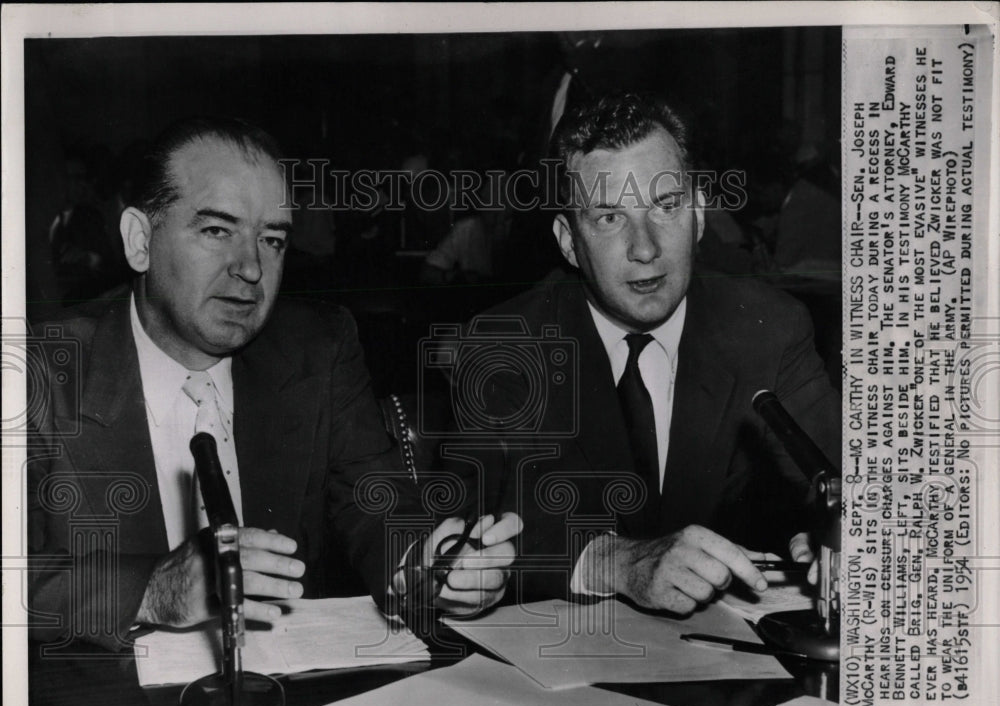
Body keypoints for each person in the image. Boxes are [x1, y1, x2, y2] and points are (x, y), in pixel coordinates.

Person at [27, 117, 521, 651]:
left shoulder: (319, 348)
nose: (251, 268)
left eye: (272, 240)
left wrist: (425, 565)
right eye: (217, 231)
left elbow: (374, 508)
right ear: (139, 241)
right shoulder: (42, 370)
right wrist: (154, 589)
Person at [444, 92, 839, 614]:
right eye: (609, 217)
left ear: (698, 215)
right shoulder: (506, 343)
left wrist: (834, 533)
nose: (646, 248)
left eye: (666, 207)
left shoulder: (769, 327)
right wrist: (620, 562)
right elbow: (482, 527)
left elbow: (839, 475)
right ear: (567, 241)